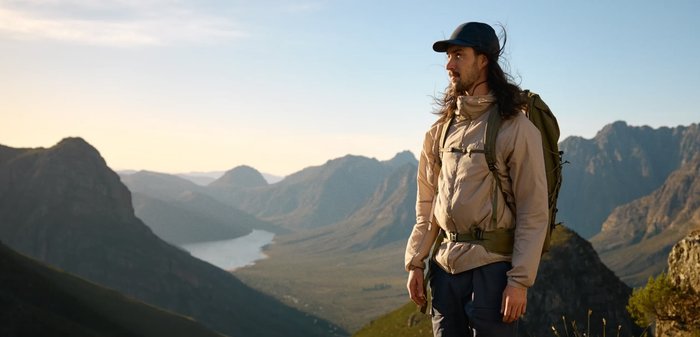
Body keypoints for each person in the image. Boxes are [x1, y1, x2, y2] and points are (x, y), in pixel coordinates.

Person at [404, 22, 549, 337]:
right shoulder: (440, 132)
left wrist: (519, 282)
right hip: (443, 271)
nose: (448, 65)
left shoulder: (515, 129)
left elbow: (533, 210)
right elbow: (428, 204)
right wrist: (416, 262)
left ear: (484, 60)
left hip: (492, 273)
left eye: (458, 55)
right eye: (448, 56)